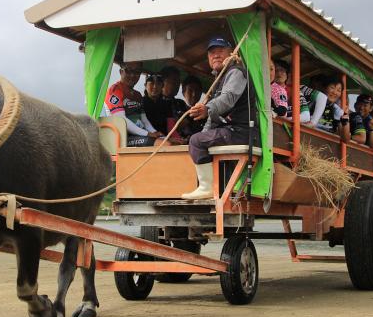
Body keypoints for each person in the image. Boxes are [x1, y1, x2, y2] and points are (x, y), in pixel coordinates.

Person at [182, 36, 259, 200]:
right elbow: (213, 118)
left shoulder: (236, 72)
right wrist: (201, 134)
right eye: (211, 52)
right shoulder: (218, 79)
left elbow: (228, 98)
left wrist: (207, 108)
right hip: (231, 131)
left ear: (231, 53)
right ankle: (211, 187)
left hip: (241, 131)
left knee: (196, 141)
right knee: (197, 140)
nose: (216, 55)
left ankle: (206, 188)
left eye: (221, 51)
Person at [103, 62, 171, 147]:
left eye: (137, 71)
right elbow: (121, 120)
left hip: (140, 136)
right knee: (166, 144)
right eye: (128, 70)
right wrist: (147, 134)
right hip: (123, 138)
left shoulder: (137, 95)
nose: (133, 75)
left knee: (174, 143)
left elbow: (144, 119)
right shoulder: (114, 91)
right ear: (121, 72)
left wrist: (154, 132)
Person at [314, 77, 351, 143]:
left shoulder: (338, 111)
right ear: (324, 88)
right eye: (332, 88)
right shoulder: (311, 104)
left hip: (326, 145)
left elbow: (346, 140)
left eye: (338, 90)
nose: (334, 92)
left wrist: (345, 123)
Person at [160, 66, 189, 139]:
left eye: (179, 82)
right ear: (163, 82)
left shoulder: (181, 103)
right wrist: (188, 120)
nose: (177, 86)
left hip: (190, 139)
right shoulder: (159, 103)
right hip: (173, 142)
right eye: (174, 82)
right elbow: (166, 130)